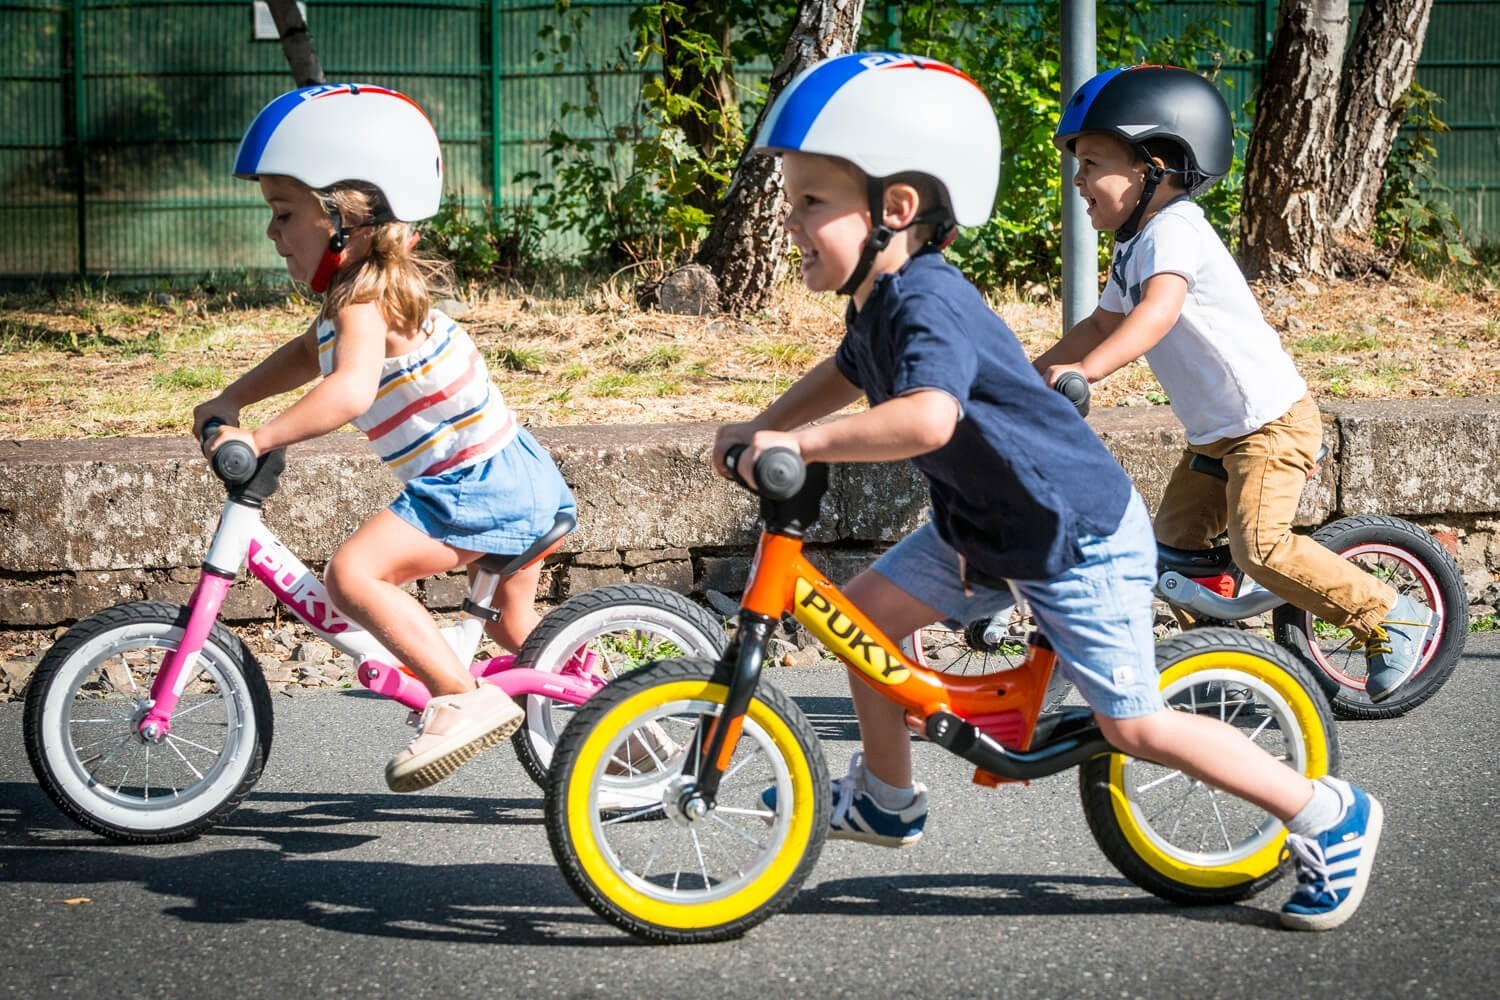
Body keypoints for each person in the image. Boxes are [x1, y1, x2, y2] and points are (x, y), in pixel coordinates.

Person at [714, 51, 1381, 931]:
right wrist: (756, 423)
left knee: (1136, 727)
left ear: (896, 210)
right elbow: (844, 373)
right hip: (983, 526)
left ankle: (1328, 815)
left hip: (1074, 534)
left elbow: (927, 420)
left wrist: (794, 444)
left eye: (810, 201)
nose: (788, 220)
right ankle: (886, 798)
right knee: (863, 625)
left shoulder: (929, 300)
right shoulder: (878, 302)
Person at [194, 83, 576, 793]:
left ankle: (459, 698)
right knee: (519, 632)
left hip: (476, 488)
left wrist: (264, 435)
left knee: (353, 575)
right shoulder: (360, 295)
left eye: (283, 214)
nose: (273, 233)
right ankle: (632, 739)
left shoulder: (365, 299)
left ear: (348, 218)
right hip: (505, 473)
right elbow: (313, 354)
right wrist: (233, 398)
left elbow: (348, 390)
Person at [1034, 65, 1433, 705]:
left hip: (1269, 427)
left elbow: (1154, 314)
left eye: (1091, 162)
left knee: (1260, 548)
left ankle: (1389, 614)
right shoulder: (1135, 244)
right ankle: (1219, 666)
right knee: (1171, 556)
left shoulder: (1176, 229)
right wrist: (1027, 379)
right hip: (1218, 437)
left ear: (1154, 166)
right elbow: (1103, 320)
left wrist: (1089, 373)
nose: (1076, 180)